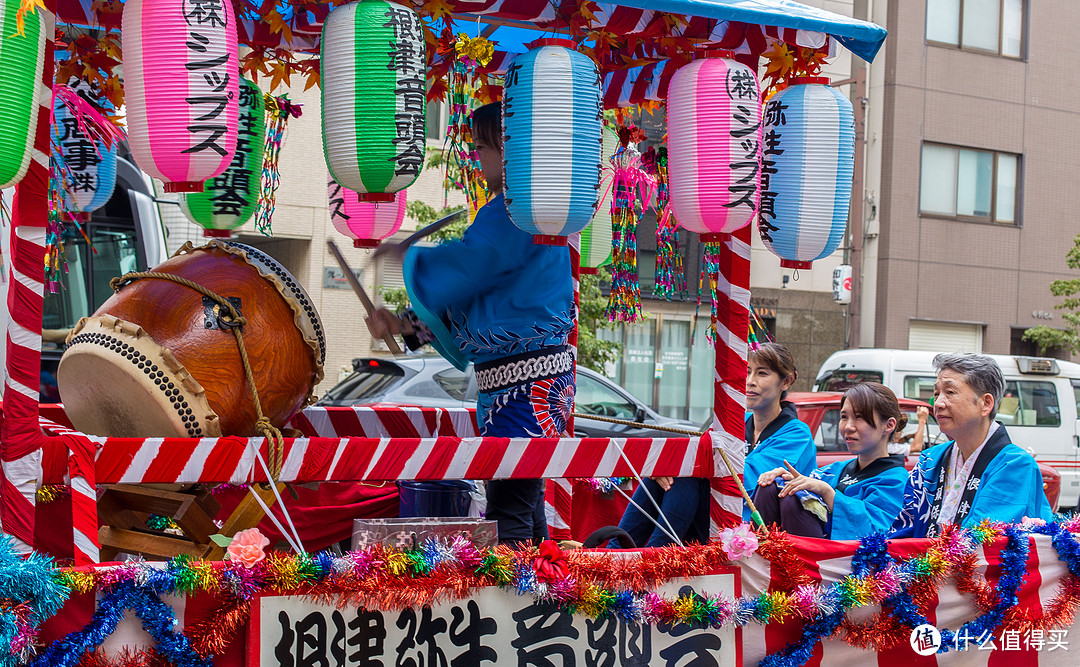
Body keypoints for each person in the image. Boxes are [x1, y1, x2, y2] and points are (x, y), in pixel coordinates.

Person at [365, 102, 575, 546]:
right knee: (523, 500)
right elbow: (479, 298)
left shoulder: (516, 213)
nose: (477, 158)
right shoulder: (525, 212)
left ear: (509, 148)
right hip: (526, 379)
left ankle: (518, 606)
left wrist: (410, 257)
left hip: (524, 384)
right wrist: (403, 325)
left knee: (511, 508)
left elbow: (471, 265)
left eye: (483, 147)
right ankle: (542, 597)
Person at [889, 353, 1052, 539]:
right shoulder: (930, 460)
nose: (938, 403)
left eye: (950, 392)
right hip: (922, 565)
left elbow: (982, 543)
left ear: (986, 403)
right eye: (936, 393)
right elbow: (903, 530)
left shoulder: (1015, 465)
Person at [753, 383, 909, 539]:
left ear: (889, 425)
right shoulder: (835, 469)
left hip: (840, 561)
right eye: (844, 417)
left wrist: (828, 493)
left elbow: (879, 534)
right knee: (773, 487)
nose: (848, 427)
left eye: (859, 417)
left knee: (792, 498)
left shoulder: (897, 481)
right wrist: (787, 479)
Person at [743, 342, 817, 521]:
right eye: (747, 371)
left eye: (762, 373)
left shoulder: (797, 434)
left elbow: (750, 478)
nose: (750, 381)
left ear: (786, 381)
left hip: (768, 535)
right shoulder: (737, 422)